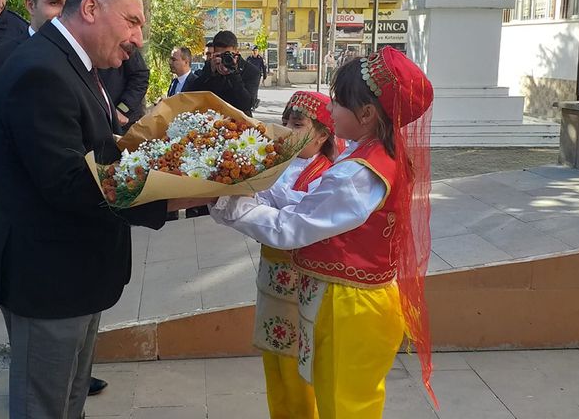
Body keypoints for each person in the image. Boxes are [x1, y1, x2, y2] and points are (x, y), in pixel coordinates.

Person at [0, 0, 199, 418]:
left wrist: (165, 160)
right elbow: (67, 183)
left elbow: (97, 152)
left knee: (69, 403)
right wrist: (170, 199)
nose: (139, 38)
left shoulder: (73, 63)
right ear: (91, 8)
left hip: (78, 275)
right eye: (133, 21)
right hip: (50, 280)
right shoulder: (40, 69)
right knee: (45, 407)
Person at [210, 46, 437, 418]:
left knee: (344, 408)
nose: (329, 110)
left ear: (365, 113)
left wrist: (230, 203)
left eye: (337, 102)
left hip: (350, 306)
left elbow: (293, 227)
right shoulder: (367, 157)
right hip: (345, 301)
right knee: (340, 403)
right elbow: (302, 206)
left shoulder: (358, 174)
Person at [253, 91, 340, 419]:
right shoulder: (279, 163)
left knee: (297, 372)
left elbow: (299, 213)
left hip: (298, 288)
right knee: (273, 366)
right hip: (271, 282)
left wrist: (265, 190)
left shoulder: (327, 176)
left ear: (322, 134)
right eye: (286, 122)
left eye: (298, 124)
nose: (288, 130)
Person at [0, 0, 73, 223]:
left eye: (68, 3)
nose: (62, 12)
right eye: (54, 3)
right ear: (30, 5)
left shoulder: (86, 59)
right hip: (20, 212)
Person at [185, 30, 258, 116]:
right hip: (212, 121)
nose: (224, 59)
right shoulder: (210, 65)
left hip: (239, 123)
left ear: (237, 53)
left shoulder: (251, 70)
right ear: (214, 54)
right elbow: (191, 95)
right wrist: (210, 74)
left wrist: (233, 73)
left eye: (228, 55)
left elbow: (246, 105)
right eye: (220, 55)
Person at [98, 48, 149, 132]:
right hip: (97, 123)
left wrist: (123, 109)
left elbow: (140, 76)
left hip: (125, 121)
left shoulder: (123, 41)